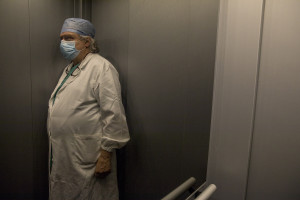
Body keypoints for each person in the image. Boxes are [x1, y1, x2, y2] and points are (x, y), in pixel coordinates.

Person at [47, 18, 130, 200]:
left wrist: (106, 155)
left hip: (89, 156)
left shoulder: (101, 68)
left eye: (69, 38)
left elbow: (114, 112)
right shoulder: (70, 68)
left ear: (87, 42)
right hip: (66, 155)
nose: (63, 43)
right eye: (61, 38)